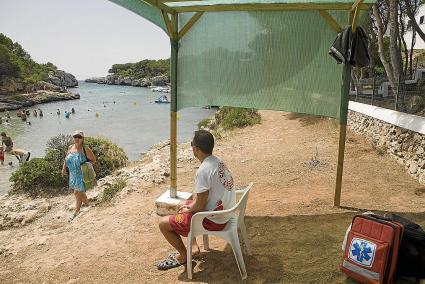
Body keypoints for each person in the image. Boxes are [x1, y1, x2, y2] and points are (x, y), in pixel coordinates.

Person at [156, 130, 236, 270]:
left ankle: (183, 255)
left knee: (163, 224)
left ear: (196, 148)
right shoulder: (218, 162)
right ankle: (193, 247)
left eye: (192, 144)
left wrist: (190, 209)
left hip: (214, 220)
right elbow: (201, 202)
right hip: (225, 213)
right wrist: (188, 207)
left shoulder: (203, 171)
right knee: (183, 204)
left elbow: (199, 206)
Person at [62, 130, 96, 221]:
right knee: (79, 193)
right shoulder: (70, 147)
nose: (77, 139)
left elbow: (93, 160)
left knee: (77, 192)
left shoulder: (85, 149)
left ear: (82, 139)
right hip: (72, 174)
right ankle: (88, 205)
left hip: (81, 175)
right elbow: (66, 159)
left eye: (79, 137)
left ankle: (76, 212)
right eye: (75, 136)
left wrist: (86, 166)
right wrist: (64, 168)